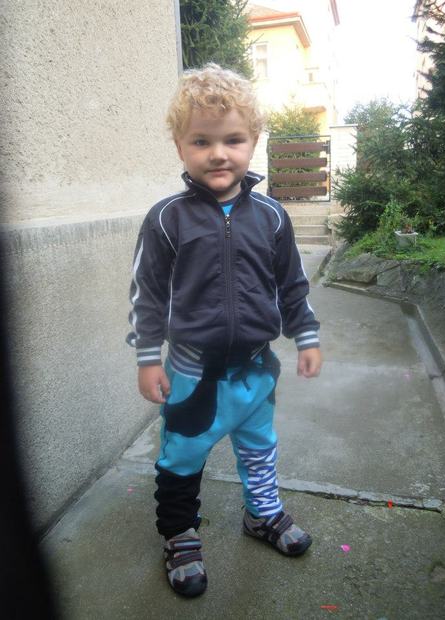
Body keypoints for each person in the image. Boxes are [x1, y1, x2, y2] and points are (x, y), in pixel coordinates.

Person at [127, 63, 322, 598]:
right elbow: (147, 293)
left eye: (233, 139)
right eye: (201, 141)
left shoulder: (272, 216)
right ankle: (180, 534)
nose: (218, 153)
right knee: (182, 457)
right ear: (180, 147)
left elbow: (292, 284)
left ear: (253, 142)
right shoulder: (167, 219)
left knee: (260, 447)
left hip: (257, 370)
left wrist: (306, 336)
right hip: (194, 376)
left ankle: (262, 513)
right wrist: (148, 357)